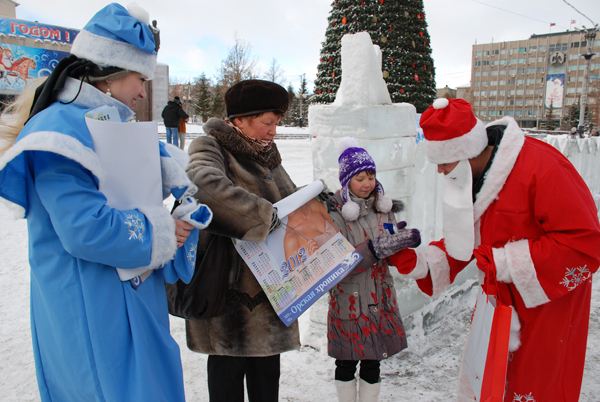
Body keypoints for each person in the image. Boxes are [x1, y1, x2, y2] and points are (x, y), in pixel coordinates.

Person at [0, 4, 212, 401]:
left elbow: (136, 194)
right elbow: (86, 229)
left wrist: (181, 206)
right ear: (111, 74)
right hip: (92, 309)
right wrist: (166, 229)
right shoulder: (56, 132)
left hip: (128, 299)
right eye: (140, 77)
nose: (144, 91)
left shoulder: (113, 125)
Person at [390, 98, 600, 401]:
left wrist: (503, 261)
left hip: (546, 302)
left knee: (537, 381)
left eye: (444, 163)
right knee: (493, 380)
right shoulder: (469, 175)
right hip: (499, 302)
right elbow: (464, 239)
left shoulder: (543, 167)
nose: (440, 172)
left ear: (464, 153)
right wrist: (418, 263)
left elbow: (583, 244)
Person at [185, 79, 297, 402]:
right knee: (226, 386)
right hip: (228, 299)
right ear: (239, 120)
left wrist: (321, 204)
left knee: (266, 388)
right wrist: (263, 216)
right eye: (268, 123)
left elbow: (289, 199)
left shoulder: (267, 155)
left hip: (269, 297)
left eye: (276, 123)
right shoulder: (211, 146)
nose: (274, 131)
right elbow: (203, 186)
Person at [325, 137, 421, 402]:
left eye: (371, 176)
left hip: (379, 297)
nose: (367, 183)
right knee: (346, 361)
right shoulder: (335, 215)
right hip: (350, 300)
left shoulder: (383, 209)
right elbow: (337, 265)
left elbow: (388, 249)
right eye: (359, 178)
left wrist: (399, 243)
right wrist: (376, 248)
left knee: (373, 360)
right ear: (346, 182)